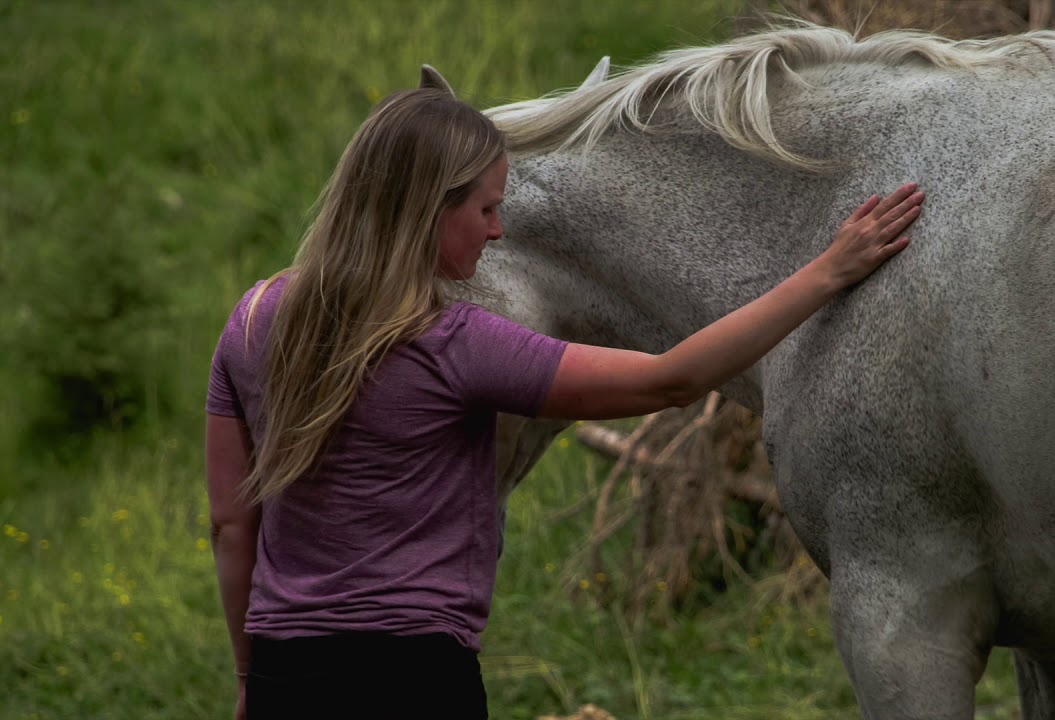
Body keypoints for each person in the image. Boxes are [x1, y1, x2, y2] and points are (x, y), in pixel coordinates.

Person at [205, 85, 923, 720]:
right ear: (426, 208)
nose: (496, 230)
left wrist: (249, 676)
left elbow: (231, 525)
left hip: (282, 671)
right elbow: (668, 380)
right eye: (486, 208)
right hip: (414, 677)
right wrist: (828, 272)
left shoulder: (252, 316)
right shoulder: (456, 344)